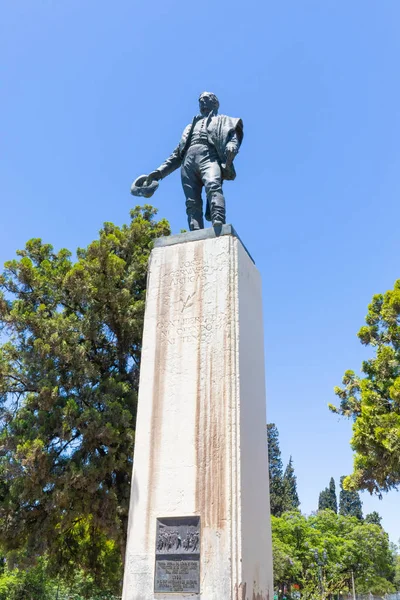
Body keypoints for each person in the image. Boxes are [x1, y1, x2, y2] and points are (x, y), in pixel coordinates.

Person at [145, 92, 243, 230]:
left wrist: (231, 145)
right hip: (188, 161)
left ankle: (219, 221)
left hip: (209, 156)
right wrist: (159, 173)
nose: (202, 102)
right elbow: (177, 154)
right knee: (191, 200)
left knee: (213, 185)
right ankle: (195, 229)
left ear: (215, 103)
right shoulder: (190, 126)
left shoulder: (225, 120)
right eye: (200, 100)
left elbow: (233, 137)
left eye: (206, 99)